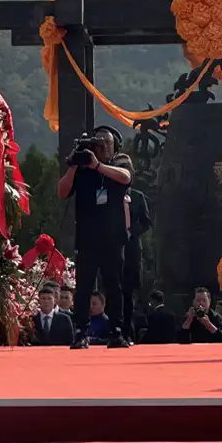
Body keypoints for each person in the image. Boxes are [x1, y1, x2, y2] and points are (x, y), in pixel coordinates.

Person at [57, 125, 132, 349]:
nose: (102, 148)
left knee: (114, 285)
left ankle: (117, 330)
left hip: (113, 237)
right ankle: (81, 330)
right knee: (84, 287)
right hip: (88, 237)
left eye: (107, 144)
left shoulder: (120, 161)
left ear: (114, 146)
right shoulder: (82, 169)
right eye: (98, 145)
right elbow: (62, 192)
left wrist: (98, 166)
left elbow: (126, 177)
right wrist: (73, 166)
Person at [123, 188, 152, 342]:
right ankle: (115, 331)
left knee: (129, 292)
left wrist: (131, 232)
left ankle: (127, 332)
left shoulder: (137, 196)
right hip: (112, 246)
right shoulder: (108, 192)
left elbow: (147, 222)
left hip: (132, 248)